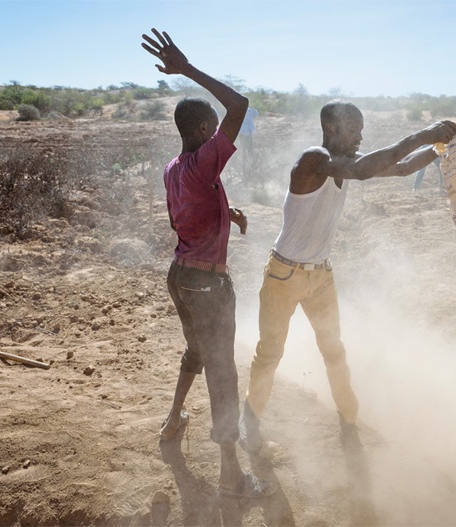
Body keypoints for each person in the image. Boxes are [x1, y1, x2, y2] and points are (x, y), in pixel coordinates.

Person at [239, 101, 456, 456]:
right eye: (354, 129)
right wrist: (424, 133)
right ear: (333, 129)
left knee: (334, 352)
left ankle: (349, 421)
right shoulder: (315, 160)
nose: (361, 136)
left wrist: (439, 148)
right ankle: (249, 421)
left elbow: (400, 169)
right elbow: (365, 169)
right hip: (284, 274)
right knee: (269, 354)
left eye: (361, 129)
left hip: (320, 275)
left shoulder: (344, 165)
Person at [142, 28, 274, 500]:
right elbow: (239, 105)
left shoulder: (174, 169)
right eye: (213, 128)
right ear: (202, 132)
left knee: (196, 352)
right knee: (223, 373)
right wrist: (188, 69)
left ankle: (174, 419)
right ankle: (231, 476)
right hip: (206, 284)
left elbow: (190, 208)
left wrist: (228, 210)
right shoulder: (202, 163)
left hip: (180, 277)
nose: (220, 134)